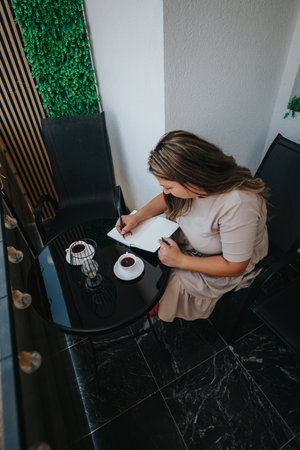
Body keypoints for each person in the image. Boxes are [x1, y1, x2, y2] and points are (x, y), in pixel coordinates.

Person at [116, 130, 268, 322]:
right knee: (153, 251)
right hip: (200, 242)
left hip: (228, 263)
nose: (165, 192)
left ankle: (166, 308)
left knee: (176, 279)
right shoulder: (199, 184)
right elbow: (166, 199)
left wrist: (181, 261)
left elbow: (235, 266)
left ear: (192, 179)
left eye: (168, 187)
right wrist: (137, 217)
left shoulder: (238, 203)